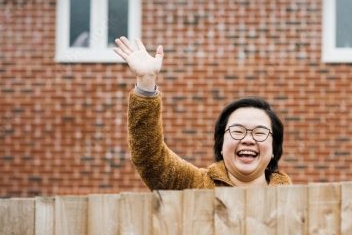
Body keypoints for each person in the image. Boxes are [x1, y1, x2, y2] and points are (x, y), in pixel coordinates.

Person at [114, 36, 292, 190]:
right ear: (221, 145)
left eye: (259, 133)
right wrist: (146, 82)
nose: (247, 139)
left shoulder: (295, 202)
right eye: (237, 131)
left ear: (274, 148)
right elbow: (150, 158)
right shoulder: (194, 184)